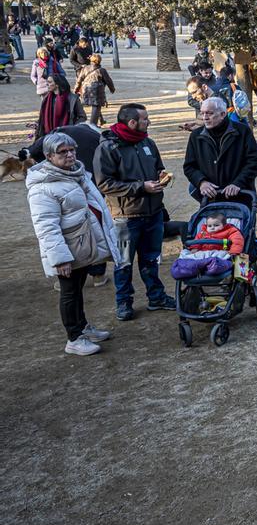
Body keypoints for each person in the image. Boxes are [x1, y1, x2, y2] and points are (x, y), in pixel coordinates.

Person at [27, 132, 123, 356]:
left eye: (72, 150)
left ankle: (83, 328)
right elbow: (46, 226)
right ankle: (73, 338)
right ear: (49, 156)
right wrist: (60, 259)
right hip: (68, 248)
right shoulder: (43, 187)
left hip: (83, 244)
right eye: (63, 152)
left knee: (78, 288)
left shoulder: (77, 172)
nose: (70, 155)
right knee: (69, 292)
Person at [95, 103, 175, 321]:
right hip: (125, 218)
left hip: (153, 213)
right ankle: (124, 303)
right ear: (132, 122)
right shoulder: (108, 148)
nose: (148, 122)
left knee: (151, 259)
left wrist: (161, 176)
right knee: (124, 263)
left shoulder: (147, 142)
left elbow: (158, 166)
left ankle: (156, 297)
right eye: (145, 119)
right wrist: (141, 187)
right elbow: (104, 184)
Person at [182, 95, 257, 208]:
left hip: (240, 198)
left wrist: (238, 183)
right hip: (210, 200)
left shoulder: (242, 132)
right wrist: (201, 182)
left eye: (209, 113)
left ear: (223, 114)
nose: (205, 117)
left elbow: (254, 161)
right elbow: (189, 166)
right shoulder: (196, 136)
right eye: (202, 113)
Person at [76, 55, 116, 125]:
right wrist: (112, 89)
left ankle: (101, 120)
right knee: (96, 106)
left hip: (86, 89)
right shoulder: (102, 70)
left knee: (96, 105)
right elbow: (108, 81)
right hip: (97, 90)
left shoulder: (85, 68)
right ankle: (92, 124)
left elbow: (79, 80)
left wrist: (76, 89)